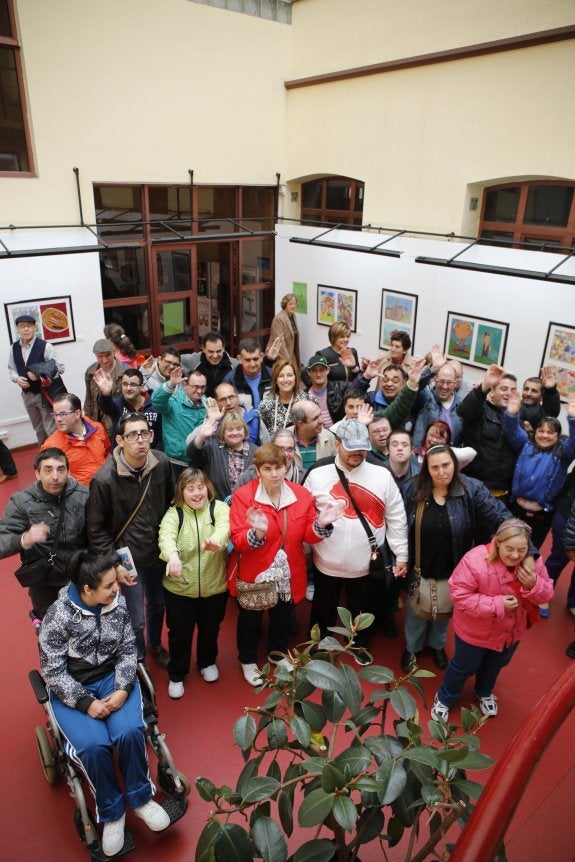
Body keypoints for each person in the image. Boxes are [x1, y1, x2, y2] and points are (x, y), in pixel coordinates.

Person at [39, 551, 170, 857]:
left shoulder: (117, 604)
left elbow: (127, 650)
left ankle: (140, 800)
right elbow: (53, 672)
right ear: (87, 589)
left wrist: (124, 688)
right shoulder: (57, 617)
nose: (117, 589)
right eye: (110, 585)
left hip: (113, 678)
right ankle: (112, 813)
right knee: (93, 747)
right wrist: (85, 703)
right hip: (74, 687)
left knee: (129, 732)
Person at [228, 443, 341, 685]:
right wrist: (256, 534)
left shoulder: (301, 495)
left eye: (279, 467)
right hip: (254, 573)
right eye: (267, 468)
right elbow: (238, 540)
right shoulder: (243, 496)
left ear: (287, 466)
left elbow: (309, 537)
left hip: (289, 574)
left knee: (282, 618)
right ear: (257, 470)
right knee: (250, 621)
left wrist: (321, 523)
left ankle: (276, 654)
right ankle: (248, 660)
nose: (275, 473)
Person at [401, 444, 514, 673]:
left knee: (445, 611)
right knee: (416, 612)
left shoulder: (471, 488)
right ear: (426, 469)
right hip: (420, 564)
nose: (442, 472)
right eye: (435, 467)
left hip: (454, 567)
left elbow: (501, 516)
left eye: (446, 465)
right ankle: (412, 648)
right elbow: (397, 525)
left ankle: (437, 645)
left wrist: (523, 545)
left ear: (455, 464)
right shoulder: (411, 489)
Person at [304, 419, 409, 664]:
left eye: (362, 448)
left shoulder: (382, 475)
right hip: (325, 561)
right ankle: (318, 643)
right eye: (351, 448)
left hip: (366, 563)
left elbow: (396, 517)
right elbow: (305, 515)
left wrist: (401, 554)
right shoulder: (318, 473)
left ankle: (359, 644)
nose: (358, 454)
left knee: (362, 608)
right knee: (323, 607)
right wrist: (304, 548)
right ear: (338, 444)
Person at [430, 519, 553, 721]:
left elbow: (547, 594)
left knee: (495, 665)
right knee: (462, 667)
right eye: (509, 548)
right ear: (497, 542)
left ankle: (483, 691)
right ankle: (445, 697)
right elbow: (459, 596)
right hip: (474, 634)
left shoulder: (533, 563)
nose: (515, 555)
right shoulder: (474, 560)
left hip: (510, 633)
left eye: (521, 550)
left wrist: (533, 584)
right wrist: (498, 605)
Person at [87, 413, 174, 666]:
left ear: (152, 435)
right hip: (127, 559)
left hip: (157, 552)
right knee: (136, 617)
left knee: (158, 604)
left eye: (144, 433)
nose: (140, 440)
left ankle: (155, 644)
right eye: (132, 435)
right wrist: (114, 562)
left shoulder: (161, 462)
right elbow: (96, 529)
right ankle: (138, 660)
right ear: (119, 441)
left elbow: (170, 503)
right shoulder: (103, 480)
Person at [159, 469, 230, 697]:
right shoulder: (174, 514)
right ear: (182, 491)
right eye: (190, 489)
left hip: (214, 586)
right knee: (180, 632)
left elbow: (225, 528)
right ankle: (177, 673)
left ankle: (207, 662)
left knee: (210, 628)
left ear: (207, 488)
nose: (197, 493)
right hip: (180, 589)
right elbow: (165, 536)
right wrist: (172, 556)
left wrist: (215, 542)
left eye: (200, 487)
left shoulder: (218, 508)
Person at [0, 448, 88, 619]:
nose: (55, 476)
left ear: (68, 472)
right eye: (48, 470)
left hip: (80, 579)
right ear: (37, 474)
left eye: (60, 469)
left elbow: (99, 534)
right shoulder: (22, 502)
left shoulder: (83, 496)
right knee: (51, 638)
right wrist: (24, 539)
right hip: (45, 586)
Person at [503, 391, 575, 549]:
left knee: (530, 551)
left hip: (541, 514)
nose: (545, 435)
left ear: (558, 436)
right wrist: (512, 414)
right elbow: (512, 431)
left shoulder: (563, 454)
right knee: (506, 545)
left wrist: (573, 419)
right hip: (516, 508)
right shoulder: (525, 444)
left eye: (550, 432)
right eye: (541, 431)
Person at [457, 365, 519, 504]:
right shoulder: (481, 410)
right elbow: (464, 411)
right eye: (503, 389)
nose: (508, 393)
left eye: (513, 390)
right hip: (474, 488)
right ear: (492, 392)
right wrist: (484, 386)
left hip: (503, 494)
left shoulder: (519, 418)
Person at [8, 313, 65, 444]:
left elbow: (60, 367)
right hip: (27, 395)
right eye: (22, 326)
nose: (26, 329)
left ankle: (57, 455)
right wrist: (16, 379)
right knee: (38, 429)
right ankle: (45, 458)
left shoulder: (45, 346)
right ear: (17, 329)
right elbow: (11, 368)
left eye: (29, 326)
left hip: (44, 394)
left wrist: (40, 373)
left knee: (51, 428)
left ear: (35, 328)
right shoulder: (13, 348)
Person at [41, 393, 110, 485]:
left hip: (105, 487)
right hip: (80, 495)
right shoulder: (51, 445)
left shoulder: (98, 429)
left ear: (77, 414)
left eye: (63, 414)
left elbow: (105, 451)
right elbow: (48, 478)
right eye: (55, 414)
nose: (58, 419)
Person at [187, 411, 257, 501]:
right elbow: (192, 453)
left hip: (246, 506)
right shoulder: (212, 447)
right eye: (230, 429)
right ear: (223, 431)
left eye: (239, 428)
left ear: (245, 430)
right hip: (217, 505)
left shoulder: (255, 451)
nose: (235, 433)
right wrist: (201, 436)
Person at [151, 367, 208, 471]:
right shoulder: (173, 403)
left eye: (203, 387)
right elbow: (156, 400)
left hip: (201, 464)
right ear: (184, 385)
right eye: (195, 387)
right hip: (177, 464)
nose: (199, 391)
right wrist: (171, 384)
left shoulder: (208, 405)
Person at [95, 367, 163, 449]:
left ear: (142, 387)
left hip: (149, 456)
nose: (128, 388)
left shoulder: (154, 405)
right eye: (125, 384)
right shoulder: (117, 404)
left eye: (133, 385)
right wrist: (106, 394)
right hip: (122, 458)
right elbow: (106, 408)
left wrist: (156, 456)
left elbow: (159, 436)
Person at [412, 361, 463, 449]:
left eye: (449, 383)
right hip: (420, 457)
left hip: (447, 458)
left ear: (455, 383)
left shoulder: (462, 406)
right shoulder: (426, 396)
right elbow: (416, 386)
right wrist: (432, 369)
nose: (445, 386)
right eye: (442, 381)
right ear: (435, 380)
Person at [257, 359, 311, 438]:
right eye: (281, 376)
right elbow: (261, 436)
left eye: (289, 375)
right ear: (275, 380)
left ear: (295, 378)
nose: (285, 380)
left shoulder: (308, 401)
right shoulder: (265, 405)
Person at [84, 338, 126, 438]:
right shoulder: (90, 372)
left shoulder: (125, 371)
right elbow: (88, 400)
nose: (104, 359)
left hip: (117, 423)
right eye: (100, 356)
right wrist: (88, 424)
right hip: (97, 422)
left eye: (108, 355)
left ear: (114, 352)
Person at [180, 331, 237, 397]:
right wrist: (188, 376)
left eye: (218, 351)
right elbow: (176, 359)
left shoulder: (234, 365)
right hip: (201, 405)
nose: (215, 356)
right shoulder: (193, 360)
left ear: (223, 348)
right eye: (211, 352)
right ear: (203, 349)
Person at [227, 337, 276, 410]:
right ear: (240, 359)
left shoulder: (274, 376)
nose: (252, 364)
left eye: (255, 359)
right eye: (248, 360)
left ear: (261, 357)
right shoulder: (230, 380)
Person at [290, 400, 337, 474]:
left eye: (320, 415)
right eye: (315, 418)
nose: (321, 421)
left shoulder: (329, 436)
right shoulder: (282, 440)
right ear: (300, 424)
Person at [304, 354, 346, 428]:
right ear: (308, 372)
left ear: (328, 370)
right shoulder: (304, 396)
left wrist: (356, 369)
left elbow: (357, 388)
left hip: (338, 434)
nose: (318, 374)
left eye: (322, 370)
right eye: (314, 370)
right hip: (315, 435)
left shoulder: (339, 387)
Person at [519, 367, 561, 433]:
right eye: (526, 389)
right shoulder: (511, 406)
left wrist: (551, 390)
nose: (528, 393)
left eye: (534, 391)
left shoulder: (543, 414)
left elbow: (552, 410)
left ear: (541, 395)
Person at [265, 293, 300, 366]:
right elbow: (280, 342)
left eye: (294, 304)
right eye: (290, 304)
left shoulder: (293, 315)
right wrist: (287, 362)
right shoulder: (279, 319)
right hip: (280, 357)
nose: (293, 306)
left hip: (291, 354)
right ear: (285, 305)